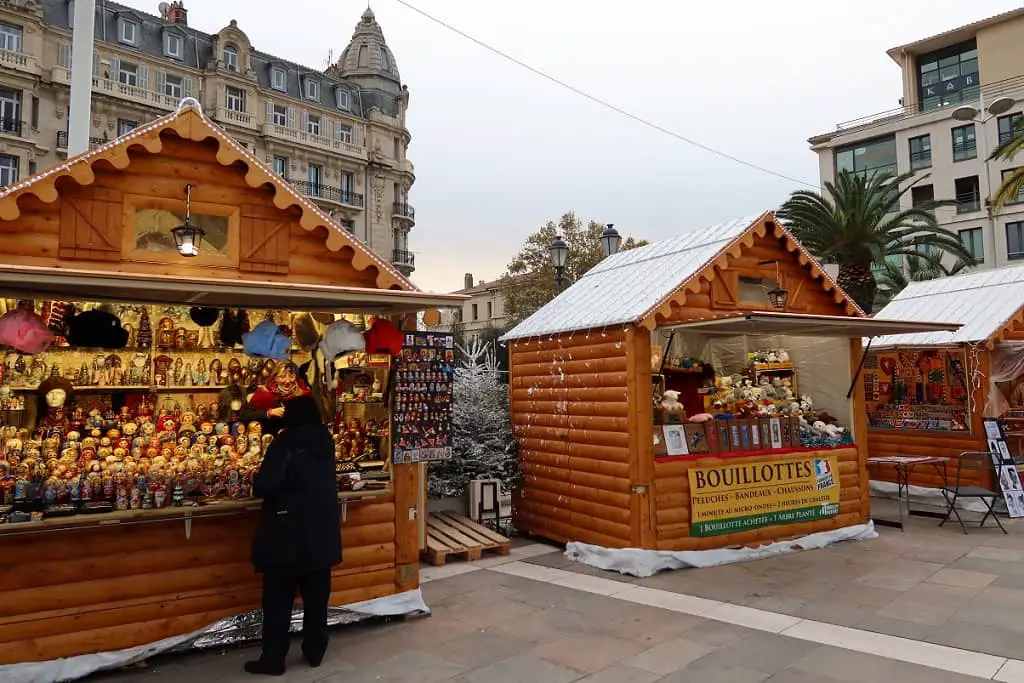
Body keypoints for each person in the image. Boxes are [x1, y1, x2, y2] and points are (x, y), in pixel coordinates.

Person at [246, 394, 342, 676]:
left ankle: (273, 659)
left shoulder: (284, 444)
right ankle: (315, 651)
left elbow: (266, 485)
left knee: (277, 600)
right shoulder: (326, 442)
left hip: (286, 534)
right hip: (321, 533)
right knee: (316, 599)